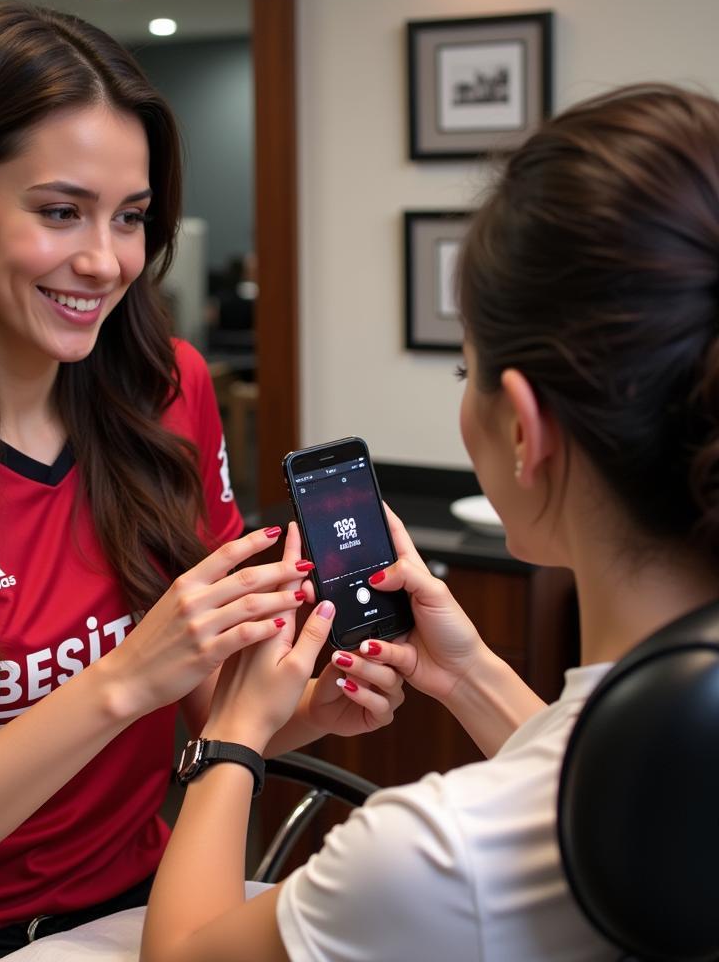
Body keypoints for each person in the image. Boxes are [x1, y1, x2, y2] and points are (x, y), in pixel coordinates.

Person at [0, 1, 403, 961]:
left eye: (132, 217)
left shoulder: (169, 392)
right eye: (59, 211)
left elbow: (200, 706)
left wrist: (305, 708)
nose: (105, 262)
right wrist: (122, 679)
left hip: (134, 908)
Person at [139, 83, 719, 962]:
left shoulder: (438, 853)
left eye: (466, 374)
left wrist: (234, 731)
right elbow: (599, 775)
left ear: (523, 430)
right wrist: (468, 676)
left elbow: (180, 957)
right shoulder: (649, 761)